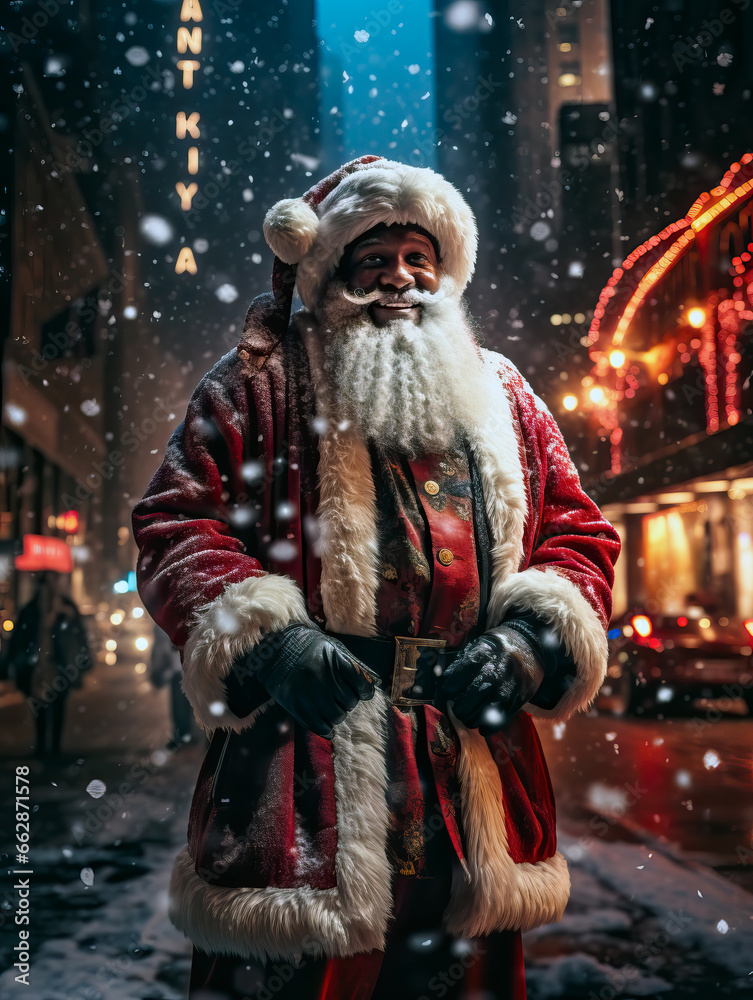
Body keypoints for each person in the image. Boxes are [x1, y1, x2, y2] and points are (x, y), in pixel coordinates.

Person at [132, 156, 621, 999]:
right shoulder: (259, 382)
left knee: (450, 981)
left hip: (467, 761)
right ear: (333, 274)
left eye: (417, 260)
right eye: (373, 261)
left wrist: (531, 640)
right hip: (303, 761)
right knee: (300, 982)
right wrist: (271, 643)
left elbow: (576, 532)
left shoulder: (505, 393)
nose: (399, 280)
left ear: (445, 272)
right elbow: (174, 522)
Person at [8, 571, 92, 757]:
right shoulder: (33, 610)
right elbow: (20, 640)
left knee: (56, 706)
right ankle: (44, 747)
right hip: (40, 667)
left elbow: (78, 639)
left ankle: (52, 748)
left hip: (58, 666)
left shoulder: (65, 609)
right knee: (41, 707)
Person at [150, 623, 199, 747]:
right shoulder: (164, 620)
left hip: (190, 668)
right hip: (179, 670)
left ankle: (189, 736)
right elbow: (161, 648)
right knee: (180, 706)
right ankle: (183, 735)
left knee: (189, 705)